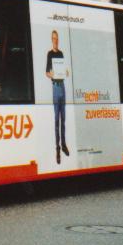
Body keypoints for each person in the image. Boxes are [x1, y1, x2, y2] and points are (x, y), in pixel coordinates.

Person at [45, 30, 70, 164]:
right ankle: (57, 148)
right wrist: (52, 74)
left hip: (62, 86)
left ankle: (64, 144)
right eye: (54, 39)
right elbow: (46, 73)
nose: (55, 41)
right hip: (55, 87)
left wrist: (65, 72)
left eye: (57, 39)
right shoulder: (50, 54)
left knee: (63, 118)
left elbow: (64, 69)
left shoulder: (61, 54)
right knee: (56, 120)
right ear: (51, 40)